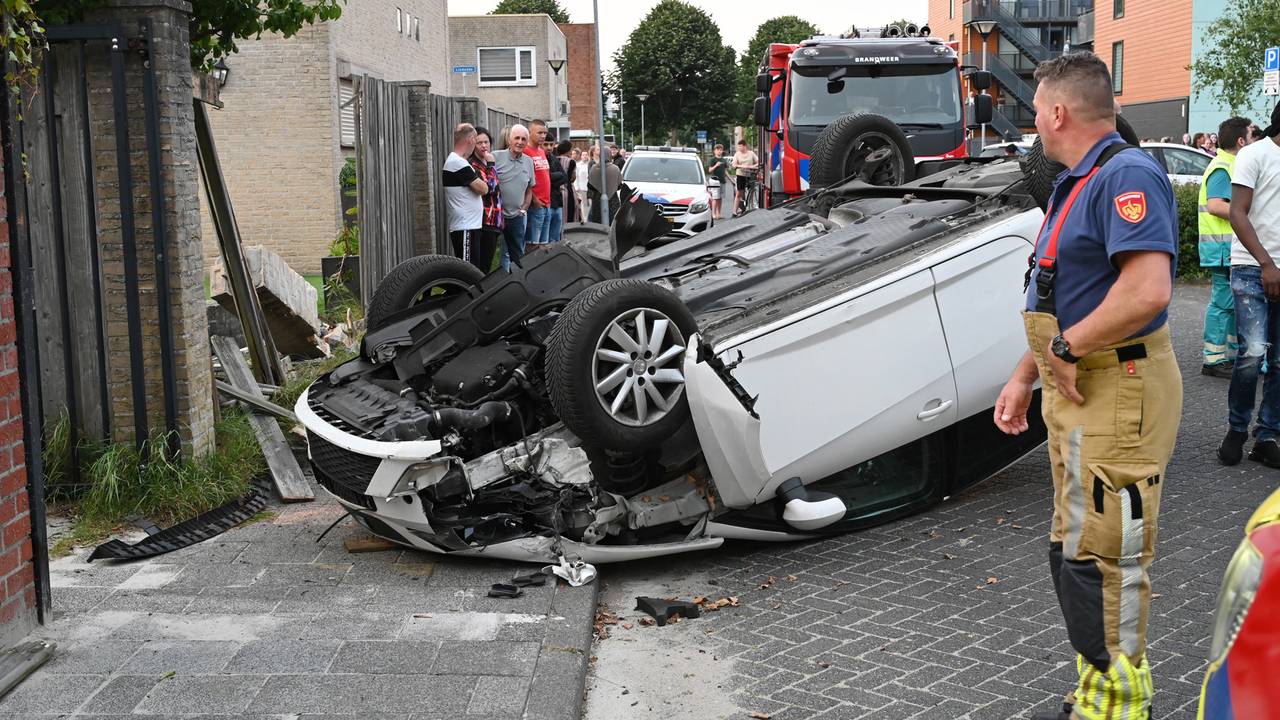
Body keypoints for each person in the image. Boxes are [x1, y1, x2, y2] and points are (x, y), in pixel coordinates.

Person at [992, 52, 1180, 720]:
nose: (1034, 119)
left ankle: (1120, 708)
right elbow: (1063, 292)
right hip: (1084, 389)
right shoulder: (1082, 179)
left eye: (1037, 106)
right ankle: (1097, 693)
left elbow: (1147, 289)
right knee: (1077, 551)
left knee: (1106, 556)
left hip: (1117, 385)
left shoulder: (1125, 174)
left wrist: (1066, 348)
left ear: (1059, 111)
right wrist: (1024, 375)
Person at [1219, 101, 1280, 467]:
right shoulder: (1254, 154)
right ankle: (1237, 428)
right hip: (1252, 268)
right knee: (1254, 352)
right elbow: (1236, 212)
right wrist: (1267, 264)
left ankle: (1267, 435)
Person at [1197, 117, 1253, 379]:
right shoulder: (1223, 167)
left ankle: (1225, 355)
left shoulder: (1229, 164)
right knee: (1222, 303)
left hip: (1225, 248)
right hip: (1222, 249)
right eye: (1251, 137)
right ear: (1241, 141)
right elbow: (1215, 205)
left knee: (1229, 302)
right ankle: (1214, 358)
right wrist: (1246, 213)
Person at [442, 123, 488, 267]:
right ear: (470, 139)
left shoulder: (459, 161)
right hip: (465, 227)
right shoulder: (457, 162)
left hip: (470, 225)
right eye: (476, 139)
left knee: (473, 270)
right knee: (467, 270)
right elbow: (483, 189)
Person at [493, 124, 534, 270]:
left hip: (517, 216)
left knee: (517, 254)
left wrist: (524, 209)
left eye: (524, 139)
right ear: (509, 140)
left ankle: (516, 284)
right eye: (517, 138)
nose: (520, 142)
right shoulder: (495, 157)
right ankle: (494, 284)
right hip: (496, 216)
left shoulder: (529, 162)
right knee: (492, 254)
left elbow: (529, 190)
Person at [468, 126, 502, 273]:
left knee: (487, 264)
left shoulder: (486, 163)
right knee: (481, 267)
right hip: (483, 221)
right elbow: (490, 188)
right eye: (479, 142)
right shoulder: (473, 165)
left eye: (486, 142)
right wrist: (491, 165)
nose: (483, 146)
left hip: (494, 220)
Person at [523, 120, 553, 251]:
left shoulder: (541, 151)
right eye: (539, 133)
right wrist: (534, 200)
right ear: (530, 132)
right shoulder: (526, 151)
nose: (543, 136)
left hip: (546, 204)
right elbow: (524, 180)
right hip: (535, 205)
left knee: (543, 244)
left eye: (545, 133)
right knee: (532, 244)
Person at [548, 140, 575, 242]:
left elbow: (550, 177)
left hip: (556, 192)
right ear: (568, 150)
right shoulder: (571, 161)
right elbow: (570, 178)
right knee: (569, 217)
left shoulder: (555, 159)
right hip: (567, 191)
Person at [588, 145, 621, 224]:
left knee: (598, 224)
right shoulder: (615, 168)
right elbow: (619, 185)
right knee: (612, 223)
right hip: (613, 201)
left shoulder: (594, 168)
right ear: (609, 155)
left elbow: (590, 185)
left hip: (597, 200)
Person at [730, 139, 759, 216]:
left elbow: (758, 162)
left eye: (740, 146)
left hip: (750, 174)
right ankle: (734, 211)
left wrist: (753, 166)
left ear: (745, 146)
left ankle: (752, 207)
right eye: (738, 147)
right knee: (739, 193)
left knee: (752, 191)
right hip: (741, 175)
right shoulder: (737, 154)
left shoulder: (751, 153)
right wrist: (743, 166)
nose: (739, 148)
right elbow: (734, 165)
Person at [707, 144, 729, 219]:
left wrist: (731, 180)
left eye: (720, 150)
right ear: (714, 151)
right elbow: (709, 170)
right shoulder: (712, 160)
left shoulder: (724, 160)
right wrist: (716, 165)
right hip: (714, 181)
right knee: (715, 198)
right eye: (717, 150)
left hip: (722, 181)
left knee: (720, 198)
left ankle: (718, 213)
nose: (719, 151)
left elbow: (725, 171)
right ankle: (713, 214)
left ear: (722, 151)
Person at [574, 146, 590, 222]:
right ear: (581, 156)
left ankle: (589, 218)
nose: (585, 156)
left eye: (586, 155)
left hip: (589, 187)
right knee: (583, 204)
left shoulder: (590, 164)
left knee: (589, 204)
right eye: (583, 155)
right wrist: (577, 187)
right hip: (581, 187)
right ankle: (584, 219)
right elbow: (576, 176)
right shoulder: (578, 165)